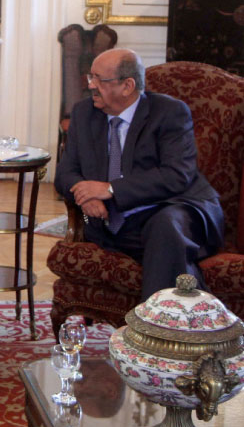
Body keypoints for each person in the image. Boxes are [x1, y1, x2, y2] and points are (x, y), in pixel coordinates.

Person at [54, 48, 224, 301]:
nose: (91, 85)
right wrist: (85, 194)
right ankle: (194, 318)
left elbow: (177, 175)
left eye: (99, 79)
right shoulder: (83, 113)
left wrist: (110, 189)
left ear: (127, 86)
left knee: (165, 229)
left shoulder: (169, 113)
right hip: (116, 221)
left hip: (175, 207)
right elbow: (65, 173)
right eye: (91, 77)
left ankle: (152, 330)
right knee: (169, 253)